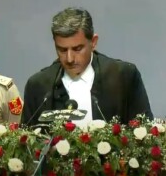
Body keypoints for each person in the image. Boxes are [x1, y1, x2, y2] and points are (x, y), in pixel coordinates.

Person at [21, 7, 153, 126]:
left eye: (77, 49)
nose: (69, 59)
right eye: (62, 50)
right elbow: (27, 142)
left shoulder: (124, 76)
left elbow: (144, 132)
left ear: (93, 42)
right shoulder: (38, 86)